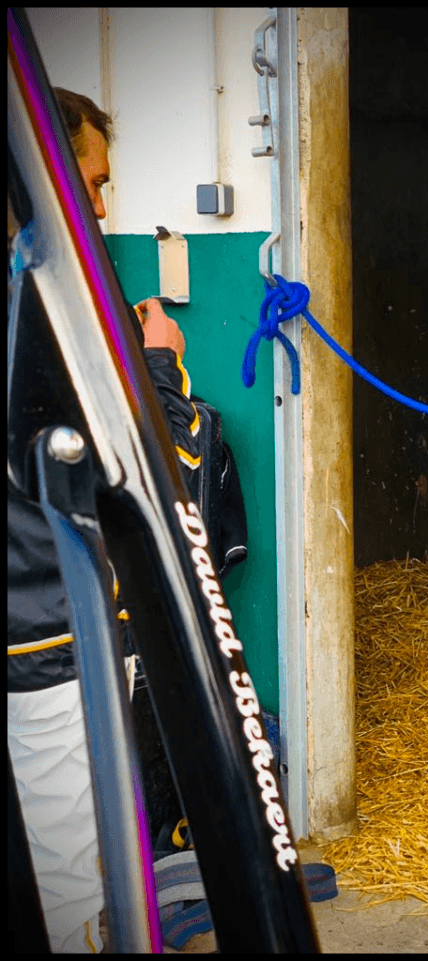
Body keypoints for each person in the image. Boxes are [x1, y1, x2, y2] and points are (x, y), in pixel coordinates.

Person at [8, 89, 202, 953]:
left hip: (42, 630)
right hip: (50, 640)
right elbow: (163, 481)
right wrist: (162, 369)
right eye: (89, 183)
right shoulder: (41, 302)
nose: (98, 205)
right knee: (82, 886)